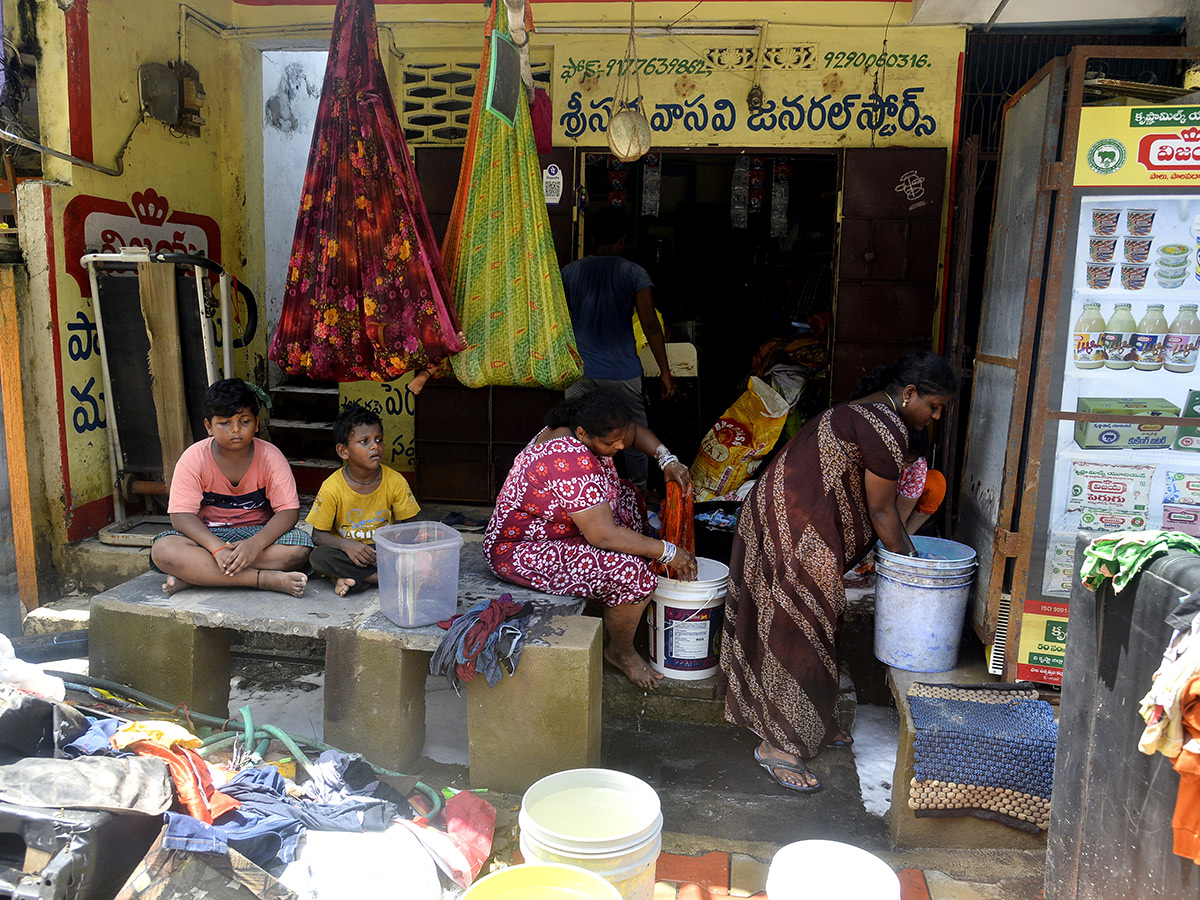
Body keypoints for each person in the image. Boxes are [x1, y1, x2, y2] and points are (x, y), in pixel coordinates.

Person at [720, 351, 957, 793]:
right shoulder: (886, 428)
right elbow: (885, 514)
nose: (936, 415)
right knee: (800, 627)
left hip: (782, 516)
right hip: (792, 526)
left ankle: (813, 722)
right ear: (909, 394)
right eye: (935, 405)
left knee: (816, 624)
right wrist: (915, 570)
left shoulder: (865, 412)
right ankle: (779, 744)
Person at [484, 389, 698, 689]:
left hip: (564, 530)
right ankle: (620, 651)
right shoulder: (568, 458)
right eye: (612, 443)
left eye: (621, 438)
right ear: (583, 433)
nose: (622, 446)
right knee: (633, 574)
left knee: (628, 501)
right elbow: (602, 535)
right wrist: (668, 551)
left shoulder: (581, 425)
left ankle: (617, 610)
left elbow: (632, 432)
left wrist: (667, 460)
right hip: (523, 548)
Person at [151, 379, 312, 597]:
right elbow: (180, 516)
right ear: (209, 427)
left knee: (299, 550)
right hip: (207, 535)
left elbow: (289, 512)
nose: (235, 430)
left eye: (244, 421)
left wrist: (254, 545)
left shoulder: (271, 457)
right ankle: (263, 579)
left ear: (256, 423)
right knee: (164, 551)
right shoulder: (193, 458)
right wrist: (216, 548)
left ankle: (197, 577)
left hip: (258, 534)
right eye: (225, 423)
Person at [560, 206, 675, 493]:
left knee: (575, 433)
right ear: (622, 241)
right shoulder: (634, 273)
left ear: (592, 239)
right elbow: (650, 325)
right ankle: (638, 491)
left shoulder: (569, 273)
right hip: (622, 372)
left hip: (579, 372)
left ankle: (578, 490)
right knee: (633, 432)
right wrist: (665, 372)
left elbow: (556, 323)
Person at [307, 402, 421, 596]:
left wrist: (389, 550)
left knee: (421, 557)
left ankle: (349, 579)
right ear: (343, 451)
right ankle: (382, 579)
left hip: (385, 551)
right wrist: (346, 545)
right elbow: (318, 535)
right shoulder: (332, 487)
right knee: (318, 557)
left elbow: (412, 527)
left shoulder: (395, 481)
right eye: (364, 441)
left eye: (379, 439)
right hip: (349, 552)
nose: (375, 446)